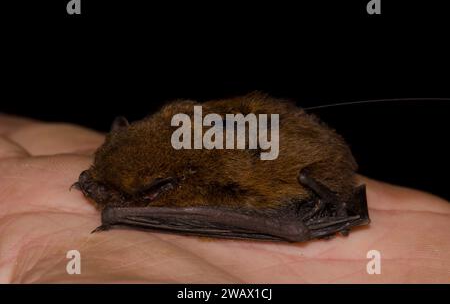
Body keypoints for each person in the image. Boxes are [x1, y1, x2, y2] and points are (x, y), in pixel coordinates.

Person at [0, 114, 449, 283]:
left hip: (302, 177)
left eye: (110, 188)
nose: (96, 191)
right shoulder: (166, 137)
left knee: (287, 220)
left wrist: (116, 208)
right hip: (283, 142)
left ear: (160, 192)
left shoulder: (198, 190)